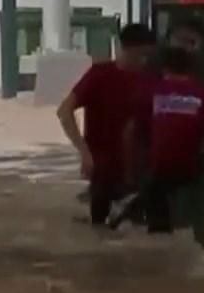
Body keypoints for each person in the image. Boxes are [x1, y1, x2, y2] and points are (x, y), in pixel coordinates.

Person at [57, 23, 157, 225]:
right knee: (100, 230)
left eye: (149, 56)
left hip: (140, 174)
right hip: (103, 172)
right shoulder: (99, 75)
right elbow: (64, 111)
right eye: (141, 55)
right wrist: (84, 153)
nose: (145, 61)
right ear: (126, 49)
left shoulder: (152, 80)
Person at [129, 41, 204, 235]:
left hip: (159, 168)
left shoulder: (151, 92)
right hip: (192, 168)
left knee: (155, 207)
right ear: (192, 68)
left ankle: (158, 228)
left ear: (164, 67)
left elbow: (134, 132)